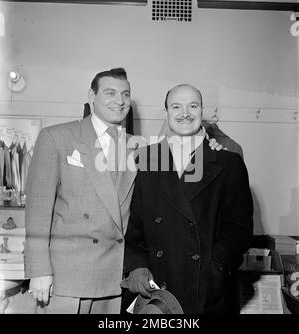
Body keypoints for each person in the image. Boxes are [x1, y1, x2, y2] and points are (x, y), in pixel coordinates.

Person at [122, 84, 254, 314]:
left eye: (193, 106)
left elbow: (239, 230)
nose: (185, 113)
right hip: (155, 287)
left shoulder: (228, 162)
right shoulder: (144, 158)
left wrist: (215, 268)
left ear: (201, 111)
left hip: (206, 291)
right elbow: (133, 222)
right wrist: (136, 265)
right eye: (176, 106)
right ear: (166, 112)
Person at [24, 68, 137, 314]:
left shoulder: (137, 148)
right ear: (91, 95)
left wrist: (208, 141)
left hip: (114, 276)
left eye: (125, 94)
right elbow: (38, 210)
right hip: (66, 277)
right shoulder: (57, 137)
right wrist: (39, 270)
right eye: (110, 93)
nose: (119, 101)